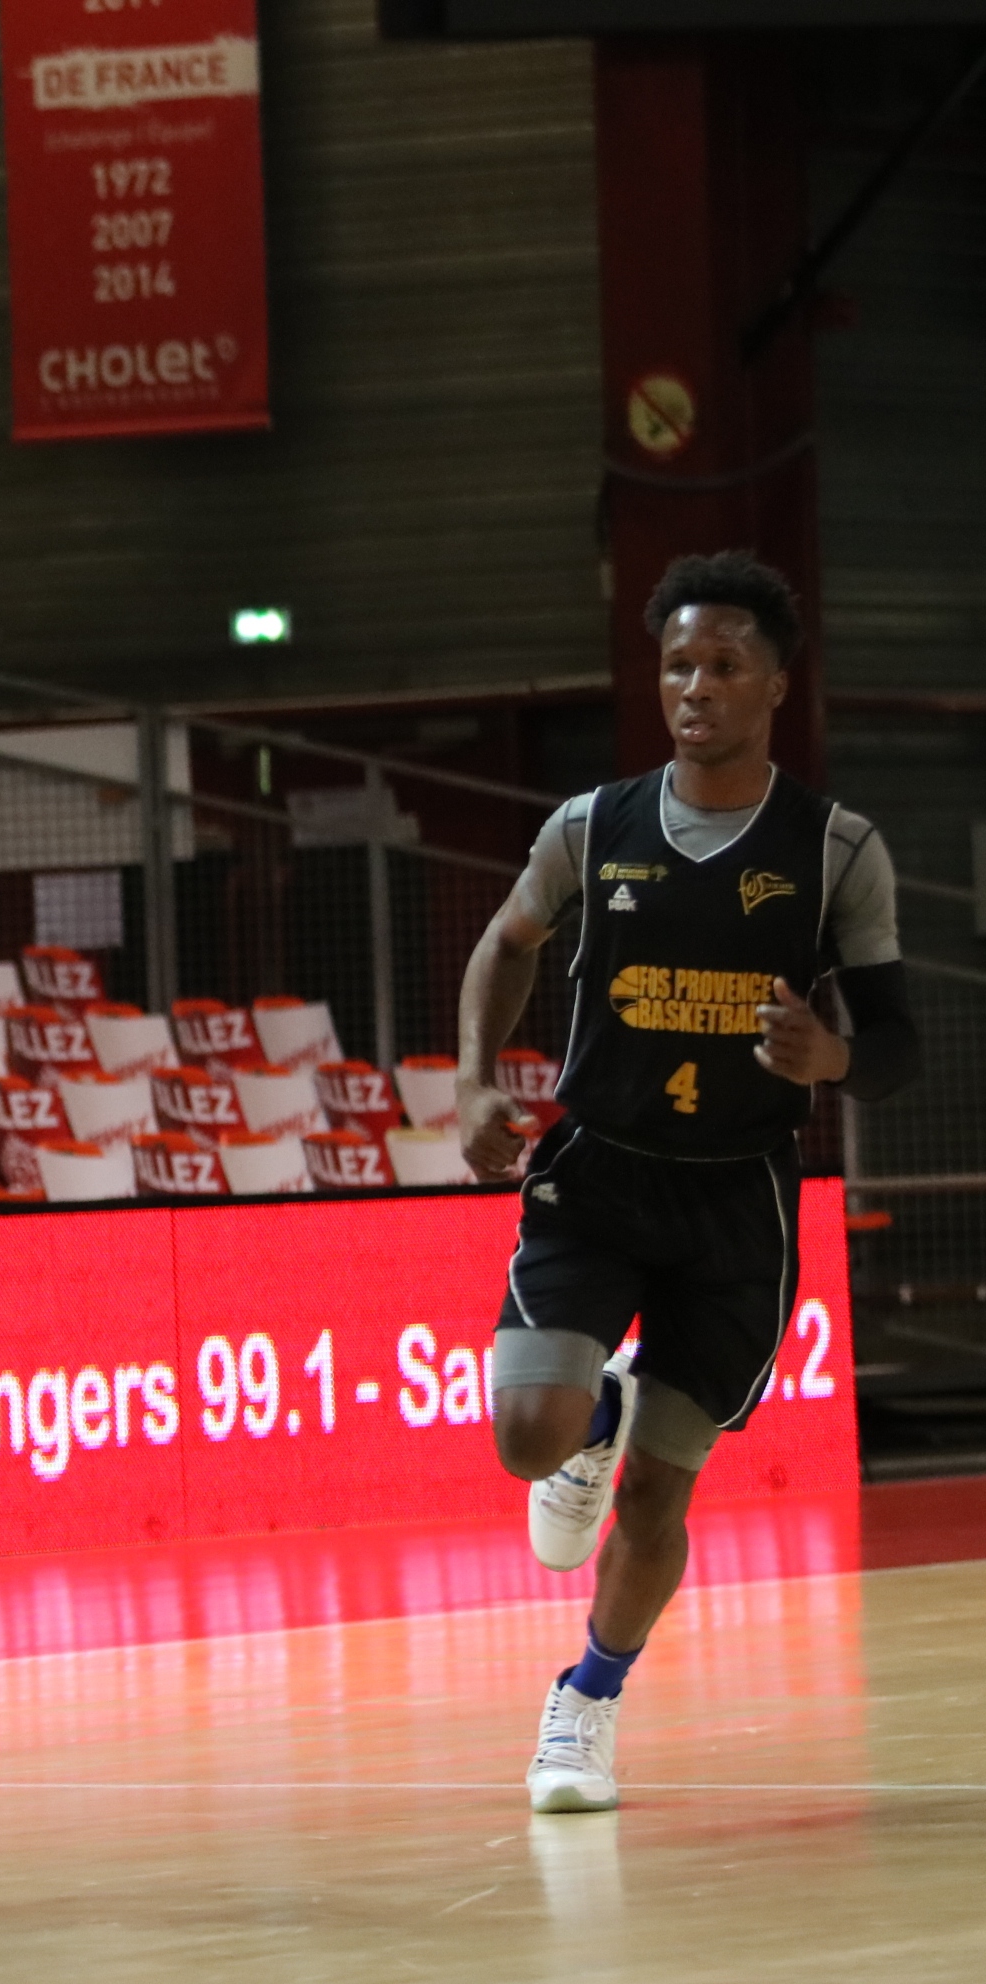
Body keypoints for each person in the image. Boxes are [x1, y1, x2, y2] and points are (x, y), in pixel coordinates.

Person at [457, 549, 919, 1815]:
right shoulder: (589, 826)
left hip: (737, 1202)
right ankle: (585, 1426)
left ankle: (586, 1704)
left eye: (723, 664)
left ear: (776, 681)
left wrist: (832, 1056)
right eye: (676, 665)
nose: (695, 686)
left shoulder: (836, 850)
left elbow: (898, 1044)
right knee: (523, 1434)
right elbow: (506, 941)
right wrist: (472, 1080)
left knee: (666, 1488)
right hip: (598, 1174)